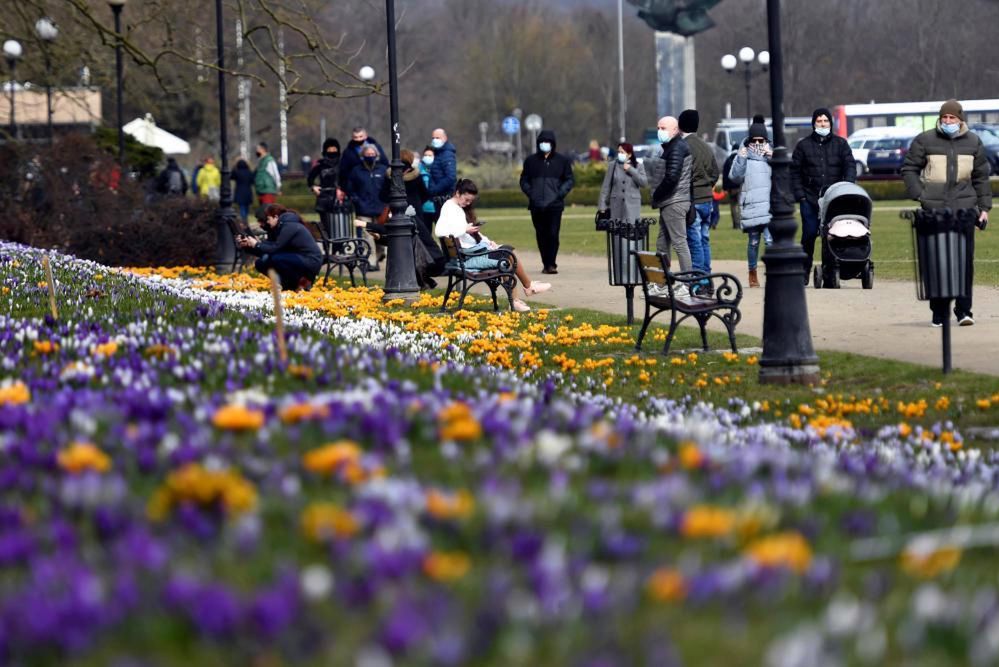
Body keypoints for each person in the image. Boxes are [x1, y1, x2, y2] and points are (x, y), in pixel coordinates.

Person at [901, 99, 992, 327]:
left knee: (964, 262)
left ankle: (964, 311)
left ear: (961, 120)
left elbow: (981, 178)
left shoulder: (973, 142)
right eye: (945, 118)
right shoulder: (925, 140)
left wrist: (984, 209)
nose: (948, 121)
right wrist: (920, 194)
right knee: (936, 262)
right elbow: (909, 168)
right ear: (940, 119)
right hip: (934, 210)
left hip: (964, 210)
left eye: (952, 118)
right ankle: (939, 313)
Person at [436, 179, 551, 313]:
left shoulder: (455, 208)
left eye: (470, 201)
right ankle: (523, 293)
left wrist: (486, 241)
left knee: (508, 252)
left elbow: (465, 235)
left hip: (469, 253)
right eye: (466, 200)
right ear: (457, 193)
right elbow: (440, 231)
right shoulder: (450, 208)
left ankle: (521, 294)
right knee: (508, 255)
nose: (468, 203)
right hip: (468, 257)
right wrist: (465, 229)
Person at [791, 107, 857, 282]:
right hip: (810, 198)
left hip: (834, 200)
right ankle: (804, 272)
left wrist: (848, 186)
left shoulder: (841, 144)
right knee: (809, 235)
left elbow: (850, 166)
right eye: (819, 121)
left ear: (831, 123)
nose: (822, 124)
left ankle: (829, 273)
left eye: (825, 121)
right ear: (814, 124)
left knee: (832, 236)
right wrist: (801, 196)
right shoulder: (803, 145)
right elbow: (794, 172)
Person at [645, 115, 693, 295]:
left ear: (675, 130)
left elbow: (672, 177)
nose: (660, 131)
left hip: (674, 200)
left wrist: (657, 194)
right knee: (662, 243)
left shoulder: (677, 147)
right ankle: (662, 283)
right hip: (670, 201)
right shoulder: (672, 146)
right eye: (658, 127)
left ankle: (686, 284)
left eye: (663, 128)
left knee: (679, 243)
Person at [519, 130, 574, 274]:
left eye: (548, 142)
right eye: (542, 142)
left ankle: (552, 263)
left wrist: (559, 194)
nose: (545, 145)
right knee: (541, 234)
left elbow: (569, 179)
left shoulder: (562, 161)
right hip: (536, 205)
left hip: (555, 205)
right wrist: (531, 194)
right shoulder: (530, 161)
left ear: (553, 144)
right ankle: (545, 263)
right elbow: (524, 180)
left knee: (553, 234)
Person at [728, 116, 773, 288]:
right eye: (755, 140)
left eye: (761, 140)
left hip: (768, 204)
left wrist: (773, 157)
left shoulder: (771, 153)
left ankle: (772, 272)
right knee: (753, 242)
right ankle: (752, 272)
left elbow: (783, 175)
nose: (758, 144)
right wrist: (741, 158)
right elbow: (735, 177)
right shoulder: (743, 153)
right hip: (752, 204)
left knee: (770, 241)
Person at [236, 204, 323, 291]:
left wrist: (257, 244)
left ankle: (298, 284)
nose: (268, 222)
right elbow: (269, 249)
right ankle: (289, 286)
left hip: (310, 260)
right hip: (297, 257)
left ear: (276, 217)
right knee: (261, 263)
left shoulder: (289, 225)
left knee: (275, 259)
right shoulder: (280, 226)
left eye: (268, 219)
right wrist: (248, 246)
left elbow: (275, 248)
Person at [678, 109, 720, 276]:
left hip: (693, 200)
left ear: (681, 126)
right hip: (707, 199)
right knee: (704, 239)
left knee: (694, 242)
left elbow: (682, 175)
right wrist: (707, 184)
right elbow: (715, 173)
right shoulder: (706, 146)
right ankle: (706, 276)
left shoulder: (684, 146)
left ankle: (698, 279)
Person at [348, 144, 389, 268]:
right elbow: (351, 189)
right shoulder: (356, 171)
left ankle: (378, 255)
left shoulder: (383, 169)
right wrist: (357, 201)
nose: (370, 156)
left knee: (380, 236)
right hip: (363, 209)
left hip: (380, 209)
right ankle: (371, 261)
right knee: (368, 236)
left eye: (372, 154)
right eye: (368, 154)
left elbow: (389, 187)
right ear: (363, 155)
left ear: (376, 155)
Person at [598, 142, 648, 223]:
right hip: (616, 205)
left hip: (632, 205)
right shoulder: (612, 165)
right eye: (618, 152)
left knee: (631, 232)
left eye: (622, 152)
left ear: (629, 154)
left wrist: (631, 170)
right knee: (616, 232)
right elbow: (606, 186)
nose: (619, 154)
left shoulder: (638, 166)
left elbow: (644, 183)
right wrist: (602, 207)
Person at [308, 138, 344, 238]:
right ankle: (327, 246)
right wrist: (313, 187)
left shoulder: (343, 164)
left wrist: (342, 190)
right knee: (325, 226)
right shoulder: (320, 165)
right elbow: (310, 179)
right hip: (324, 198)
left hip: (339, 198)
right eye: (329, 151)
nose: (332, 153)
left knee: (339, 226)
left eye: (334, 150)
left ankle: (339, 248)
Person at [338, 127, 389, 195]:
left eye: (360, 136)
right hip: (358, 186)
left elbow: (384, 163)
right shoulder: (348, 152)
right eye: (355, 137)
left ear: (366, 136)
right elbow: (344, 172)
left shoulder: (376, 147)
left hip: (377, 183)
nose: (358, 139)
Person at [426, 128, 457, 217]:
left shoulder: (447, 154)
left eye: (437, 138)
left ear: (445, 138)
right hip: (439, 197)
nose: (434, 140)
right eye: (433, 138)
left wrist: (434, 190)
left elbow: (450, 177)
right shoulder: (437, 153)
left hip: (444, 196)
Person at [722, 147, 741, 229]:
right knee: (741, 206)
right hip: (740, 187)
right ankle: (741, 223)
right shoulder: (741, 159)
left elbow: (725, 176)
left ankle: (735, 224)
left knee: (733, 206)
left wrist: (725, 188)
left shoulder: (728, 160)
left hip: (731, 188)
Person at [231, 158, 255, 223]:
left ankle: (244, 220)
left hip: (239, 192)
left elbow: (231, 176)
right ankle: (245, 219)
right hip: (248, 192)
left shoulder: (237, 172)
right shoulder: (249, 172)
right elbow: (253, 181)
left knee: (242, 207)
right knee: (246, 207)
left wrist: (234, 166)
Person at [419, 146, 438, 223]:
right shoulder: (418, 170)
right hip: (424, 208)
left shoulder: (439, 171)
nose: (427, 157)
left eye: (430, 155)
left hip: (437, 207)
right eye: (425, 155)